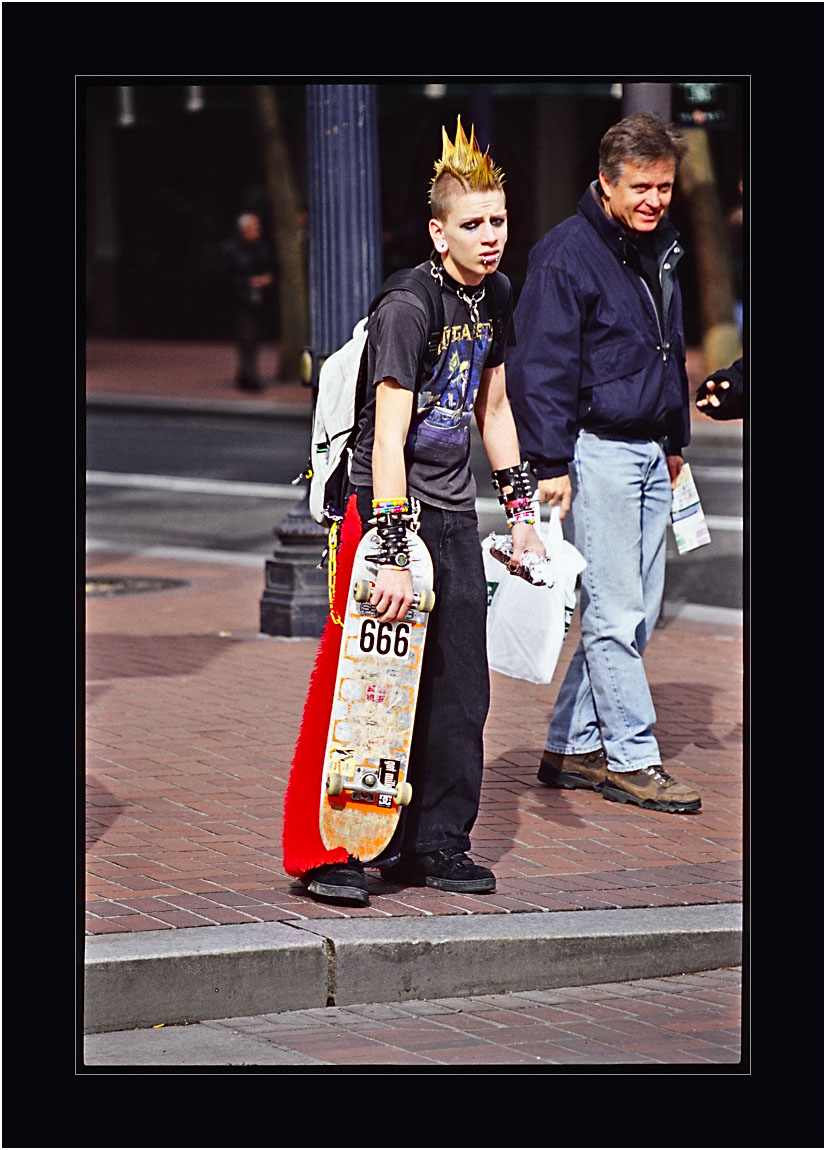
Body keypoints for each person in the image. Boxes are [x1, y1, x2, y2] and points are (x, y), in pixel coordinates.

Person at [301, 117, 546, 906]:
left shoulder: (496, 295)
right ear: (439, 233)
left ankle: (435, 846)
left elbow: (495, 407)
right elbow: (389, 433)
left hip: (452, 516)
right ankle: (332, 849)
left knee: (458, 688)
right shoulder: (409, 304)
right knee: (365, 686)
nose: (491, 236)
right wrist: (394, 548)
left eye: (499, 220)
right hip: (385, 511)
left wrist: (522, 509)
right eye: (473, 225)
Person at [506, 113, 702, 815]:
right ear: (606, 182)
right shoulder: (565, 255)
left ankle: (569, 746)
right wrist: (551, 461)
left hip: (649, 448)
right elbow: (540, 367)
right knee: (616, 614)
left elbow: (666, 345)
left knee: (637, 612)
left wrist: (675, 439)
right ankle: (632, 758)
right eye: (642, 187)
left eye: (665, 186)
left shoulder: (660, 244)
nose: (655, 199)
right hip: (597, 453)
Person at [218, 212, 275, 391]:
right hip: (240, 301)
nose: (257, 231)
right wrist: (248, 282)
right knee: (247, 338)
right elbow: (225, 277)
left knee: (253, 338)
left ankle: (245, 374)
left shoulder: (261, 248)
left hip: (258, 300)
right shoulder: (231, 250)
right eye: (253, 228)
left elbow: (271, 267)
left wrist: (265, 279)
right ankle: (250, 377)